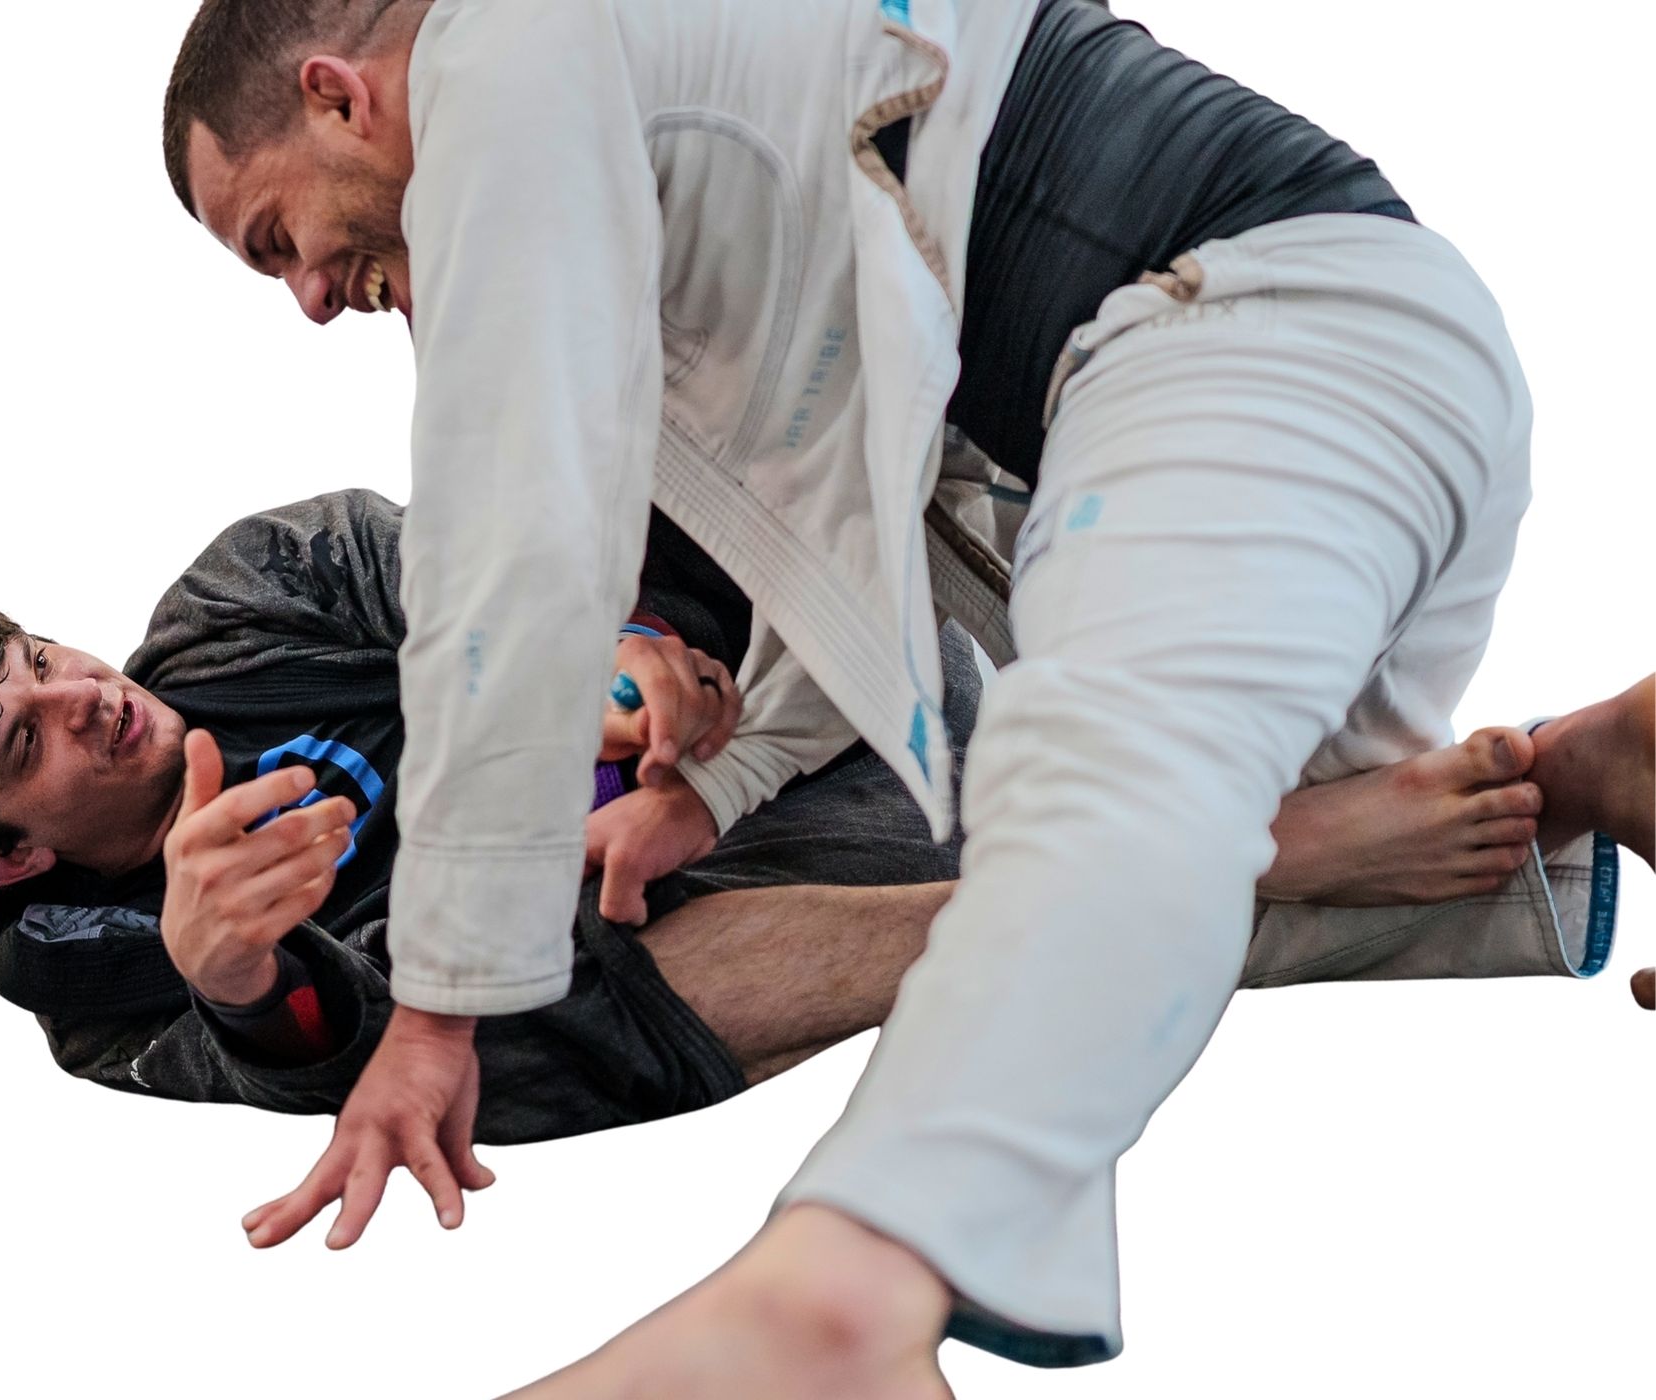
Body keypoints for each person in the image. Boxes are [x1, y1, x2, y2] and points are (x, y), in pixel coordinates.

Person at [161, 0, 1655, 1388]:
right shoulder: (661, 113)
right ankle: (1612, 768)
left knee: (1091, 797)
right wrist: (721, 791)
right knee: (1254, 854)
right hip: (1356, 380)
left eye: (272, 237)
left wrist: (436, 1012)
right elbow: (851, 512)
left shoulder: (504, 49)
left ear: (336, 95)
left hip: (1237, 337)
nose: (304, 296)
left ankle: (851, 1287)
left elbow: (516, 525)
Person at [0, 489, 1623, 1155]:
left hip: (763, 747)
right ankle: (1496, 800)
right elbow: (333, 1060)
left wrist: (633, 678)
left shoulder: (235, 599)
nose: (77, 693)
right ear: (9, 853)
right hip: (673, 964)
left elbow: (481, 575)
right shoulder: (76, 970)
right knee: (489, 1025)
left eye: (43, 657)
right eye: (19, 738)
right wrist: (231, 977)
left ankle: (1556, 784)